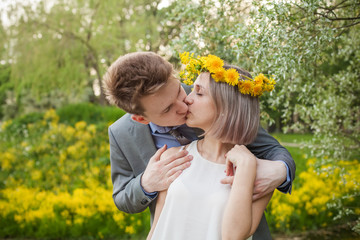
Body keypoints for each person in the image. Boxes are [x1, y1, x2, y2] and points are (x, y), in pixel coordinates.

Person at [102, 52, 295, 239]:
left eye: (179, 91)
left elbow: (270, 148)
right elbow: (126, 200)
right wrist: (146, 183)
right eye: (168, 108)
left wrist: (279, 171)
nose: (184, 104)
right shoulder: (124, 135)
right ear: (141, 119)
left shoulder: (211, 93)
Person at [147, 54, 276, 240]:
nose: (187, 99)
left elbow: (234, 236)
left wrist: (247, 166)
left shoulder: (258, 174)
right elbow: (156, 228)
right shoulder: (173, 157)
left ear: (226, 107)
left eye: (199, 92)